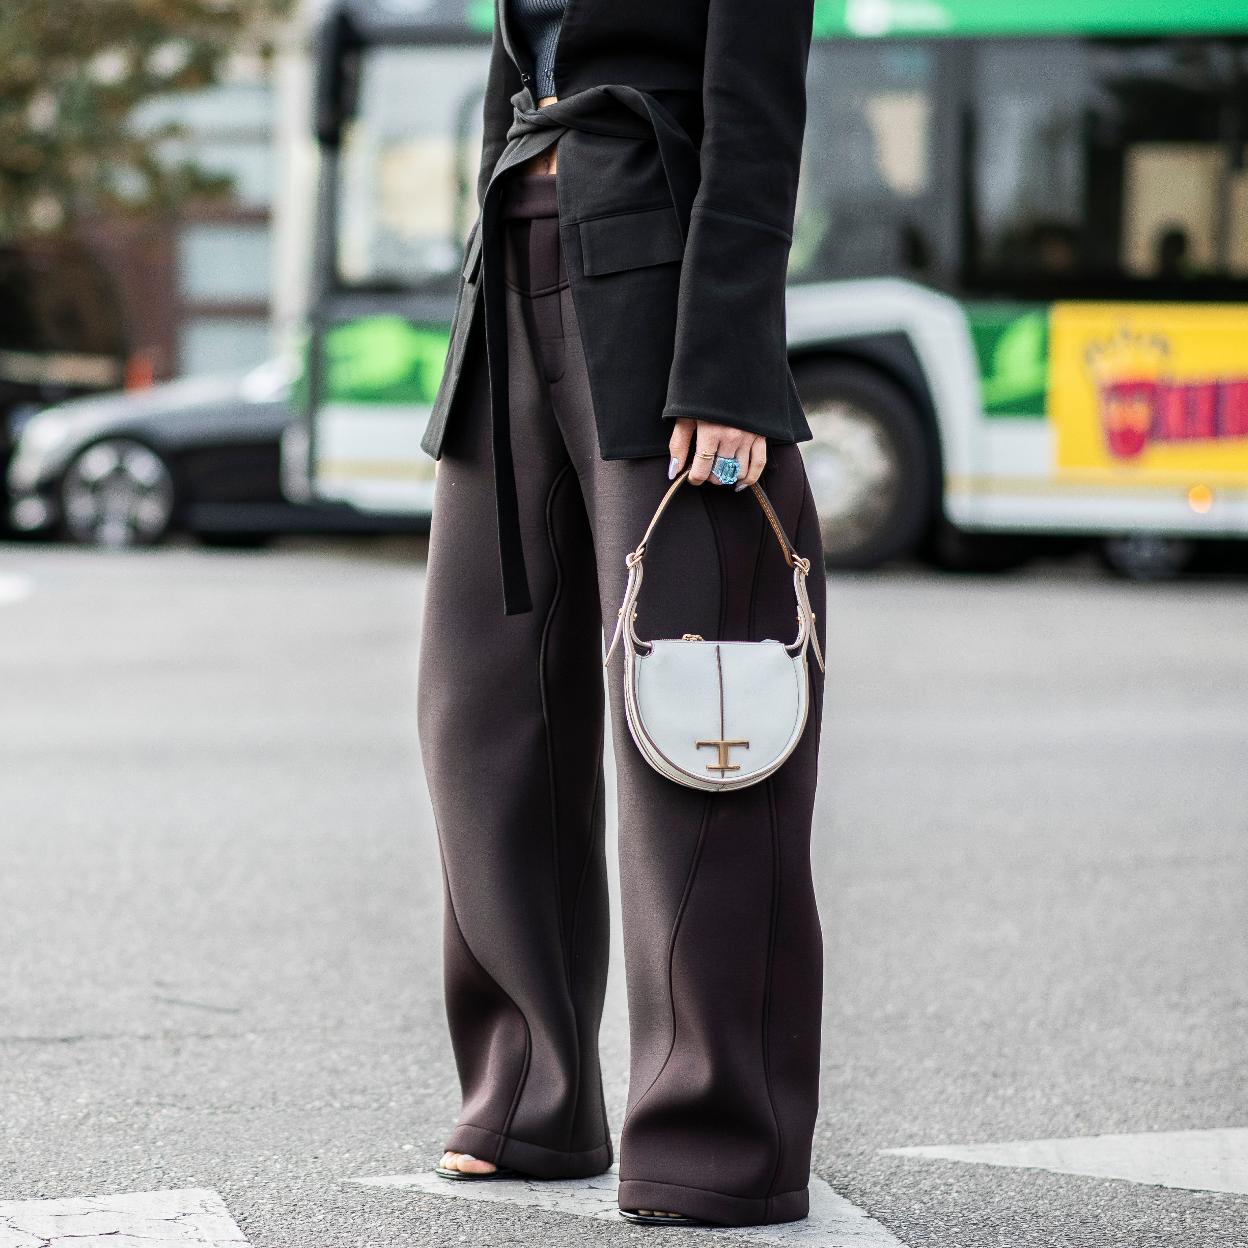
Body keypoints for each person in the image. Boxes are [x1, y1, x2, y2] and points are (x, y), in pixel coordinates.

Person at [416, 0, 826, 1228]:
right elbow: (517, 70)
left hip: (661, 268)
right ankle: (530, 1093)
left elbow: (758, 108)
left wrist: (731, 364)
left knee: (696, 710)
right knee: (484, 707)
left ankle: (716, 1131)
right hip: (517, 257)